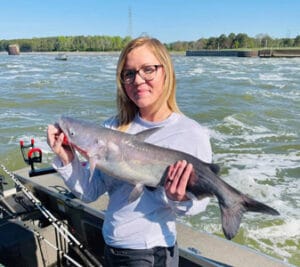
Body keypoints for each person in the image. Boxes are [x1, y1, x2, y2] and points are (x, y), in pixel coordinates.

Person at [47, 36, 213, 267]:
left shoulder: (190, 132)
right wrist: (67, 157)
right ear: (122, 81)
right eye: (129, 73)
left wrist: (181, 198)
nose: (138, 80)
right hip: (112, 246)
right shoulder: (112, 127)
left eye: (148, 69)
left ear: (166, 72)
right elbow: (89, 192)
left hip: (152, 253)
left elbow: (198, 206)